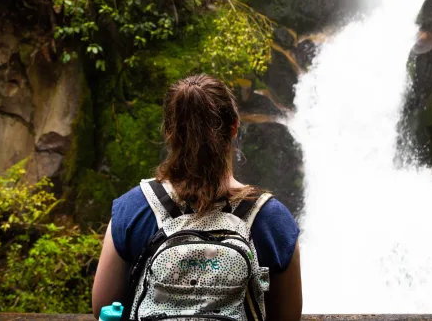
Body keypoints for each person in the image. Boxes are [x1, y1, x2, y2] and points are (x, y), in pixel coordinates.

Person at [92, 74, 303, 321]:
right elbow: (287, 316)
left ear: (169, 132)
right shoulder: (272, 220)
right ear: (234, 127)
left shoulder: (134, 209)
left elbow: (103, 308)